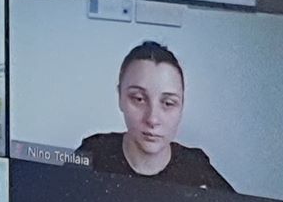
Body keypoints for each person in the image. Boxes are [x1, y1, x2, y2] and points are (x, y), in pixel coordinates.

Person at [76, 41, 235, 189]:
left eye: (168, 103)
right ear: (120, 97)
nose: (152, 119)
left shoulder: (196, 169)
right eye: (139, 99)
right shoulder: (92, 152)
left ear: (182, 105)